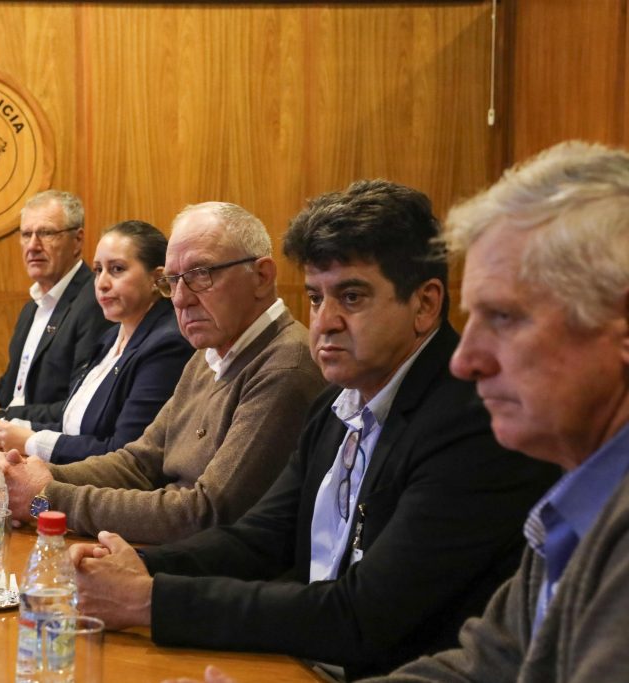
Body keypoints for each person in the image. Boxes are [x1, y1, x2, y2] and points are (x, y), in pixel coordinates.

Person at [70, 181, 559, 679]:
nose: (325, 322)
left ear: (425, 305)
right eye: (315, 297)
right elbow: (260, 539)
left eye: (351, 296)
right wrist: (136, 566)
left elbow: (363, 614)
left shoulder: (471, 423)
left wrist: (152, 600)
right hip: (299, 661)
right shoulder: (335, 403)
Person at [354, 142, 629, 682]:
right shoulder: (581, 498)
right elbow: (482, 669)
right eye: (472, 318)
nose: (464, 360)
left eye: (504, 317)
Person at [0, 202, 326, 544]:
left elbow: (206, 513)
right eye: (173, 281)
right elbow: (139, 462)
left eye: (200, 274)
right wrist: (37, 476)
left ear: (262, 276)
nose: (180, 299)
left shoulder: (285, 366)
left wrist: (48, 498)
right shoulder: (208, 354)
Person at [0, 220, 193, 464]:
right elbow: (72, 426)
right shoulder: (111, 338)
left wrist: (30, 441)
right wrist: (5, 426)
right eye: (98, 270)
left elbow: (124, 453)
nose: (102, 283)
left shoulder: (166, 345)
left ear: (158, 279)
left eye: (117, 269)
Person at [0, 190, 111, 424]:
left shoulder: (95, 302)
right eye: (26, 234)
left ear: (77, 240)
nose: (33, 246)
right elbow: (15, 390)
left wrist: (0, 414)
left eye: (46, 233)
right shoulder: (32, 307)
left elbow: (80, 405)